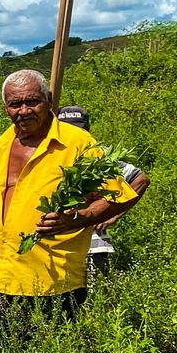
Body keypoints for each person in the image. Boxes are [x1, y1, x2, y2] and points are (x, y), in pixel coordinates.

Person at [0, 70, 132, 328]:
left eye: (32, 101)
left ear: (50, 99)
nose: (24, 111)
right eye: (15, 104)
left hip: (53, 282)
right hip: (3, 276)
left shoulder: (76, 142)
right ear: (5, 108)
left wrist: (79, 219)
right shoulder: (3, 143)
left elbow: (122, 195)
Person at [54, 104, 150, 278]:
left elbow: (140, 180)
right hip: (57, 247)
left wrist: (113, 214)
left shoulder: (100, 156)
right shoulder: (51, 154)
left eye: (78, 130)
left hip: (94, 245)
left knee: (91, 300)